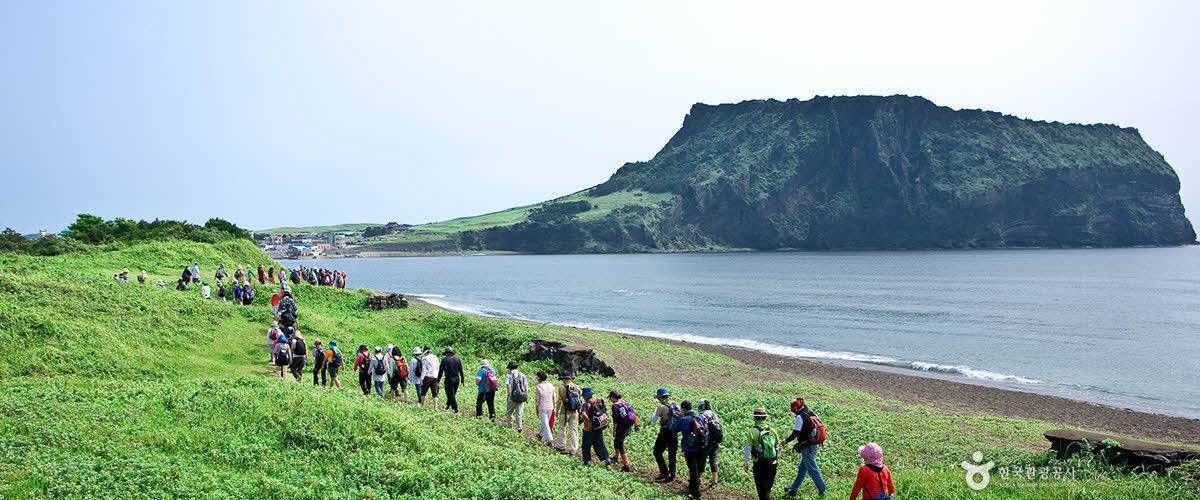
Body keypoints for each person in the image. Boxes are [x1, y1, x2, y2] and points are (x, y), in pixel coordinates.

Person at [783, 397, 826, 497]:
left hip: (807, 447)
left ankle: (822, 490)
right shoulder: (811, 413)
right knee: (802, 469)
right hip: (814, 444)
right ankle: (793, 488)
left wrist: (785, 441)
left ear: (795, 409)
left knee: (812, 469)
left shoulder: (800, 417)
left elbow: (795, 433)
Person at [743, 407, 780, 500]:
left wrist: (746, 462)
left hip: (759, 463)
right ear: (765, 417)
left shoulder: (752, 431)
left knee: (761, 490)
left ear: (754, 418)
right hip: (772, 463)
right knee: (767, 489)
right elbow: (778, 447)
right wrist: (776, 459)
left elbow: (748, 448)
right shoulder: (772, 430)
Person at [672, 400, 704, 499]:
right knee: (697, 469)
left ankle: (696, 493)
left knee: (693, 470)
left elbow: (674, 428)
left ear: (683, 409)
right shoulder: (699, 417)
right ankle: (692, 487)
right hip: (701, 446)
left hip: (690, 448)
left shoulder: (684, 419)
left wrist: (679, 416)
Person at [651, 387, 680, 483]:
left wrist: (656, 411)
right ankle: (672, 474)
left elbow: (653, 420)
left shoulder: (661, 407)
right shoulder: (675, 404)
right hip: (674, 432)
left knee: (657, 452)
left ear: (660, 397)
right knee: (672, 454)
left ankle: (664, 473)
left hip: (665, 432)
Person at [609, 389, 640, 472]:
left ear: (613, 397)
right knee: (616, 441)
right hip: (627, 427)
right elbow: (633, 414)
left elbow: (616, 420)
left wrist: (614, 430)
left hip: (621, 428)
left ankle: (626, 464)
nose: (610, 400)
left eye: (610, 398)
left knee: (620, 444)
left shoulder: (615, 406)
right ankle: (616, 457)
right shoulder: (625, 403)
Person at [580, 387, 611, 466]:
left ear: (586, 396)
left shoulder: (586, 404)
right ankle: (606, 458)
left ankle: (587, 461)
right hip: (599, 426)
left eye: (583, 396)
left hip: (589, 429)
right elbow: (606, 411)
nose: (583, 397)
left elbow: (583, 413)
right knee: (599, 443)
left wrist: (588, 423)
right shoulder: (599, 401)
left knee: (586, 445)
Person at [554, 371, 581, 455]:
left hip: (564, 411)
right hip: (575, 412)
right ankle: (574, 449)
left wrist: (556, 411)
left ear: (564, 379)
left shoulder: (561, 387)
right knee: (574, 430)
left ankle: (561, 446)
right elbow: (579, 399)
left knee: (562, 428)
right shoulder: (577, 387)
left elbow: (559, 401)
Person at [697, 399, 723, 486]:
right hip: (716, 439)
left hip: (707, 439)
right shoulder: (713, 414)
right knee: (713, 458)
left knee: (702, 458)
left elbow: (699, 428)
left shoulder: (702, 415)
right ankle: (714, 479)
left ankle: (698, 477)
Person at [504, 361, 528, 432]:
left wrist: (510, 395)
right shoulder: (522, 375)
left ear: (509, 368)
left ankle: (510, 425)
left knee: (509, 412)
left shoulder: (509, 375)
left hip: (512, 396)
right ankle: (519, 428)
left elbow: (508, 386)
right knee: (519, 413)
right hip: (521, 396)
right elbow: (526, 386)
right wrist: (525, 395)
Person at [533, 371, 556, 446]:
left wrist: (536, 409)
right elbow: (554, 397)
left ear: (539, 378)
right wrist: (554, 407)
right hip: (550, 406)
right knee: (545, 422)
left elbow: (537, 400)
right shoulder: (551, 385)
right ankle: (540, 435)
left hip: (542, 407)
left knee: (545, 424)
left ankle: (550, 440)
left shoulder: (539, 386)